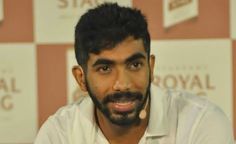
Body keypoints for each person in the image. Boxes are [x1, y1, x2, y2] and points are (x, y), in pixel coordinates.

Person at [34, 3, 234, 144]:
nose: (123, 83)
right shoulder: (59, 134)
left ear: (151, 67)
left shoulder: (201, 122)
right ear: (81, 78)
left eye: (134, 65)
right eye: (105, 69)